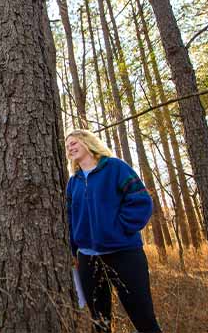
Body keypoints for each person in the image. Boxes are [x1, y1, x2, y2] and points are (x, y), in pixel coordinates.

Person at [65, 129, 161, 333]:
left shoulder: (115, 168)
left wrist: (118, 230)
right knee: (100, 323)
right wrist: (74, 250)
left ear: (87, 142)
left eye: (74, 142)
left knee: (143, 318)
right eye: (67, 146)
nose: (70, 147)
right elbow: (70, 219)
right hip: (89, 260)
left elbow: (141, 201)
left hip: (124, 254)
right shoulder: (73, 182)